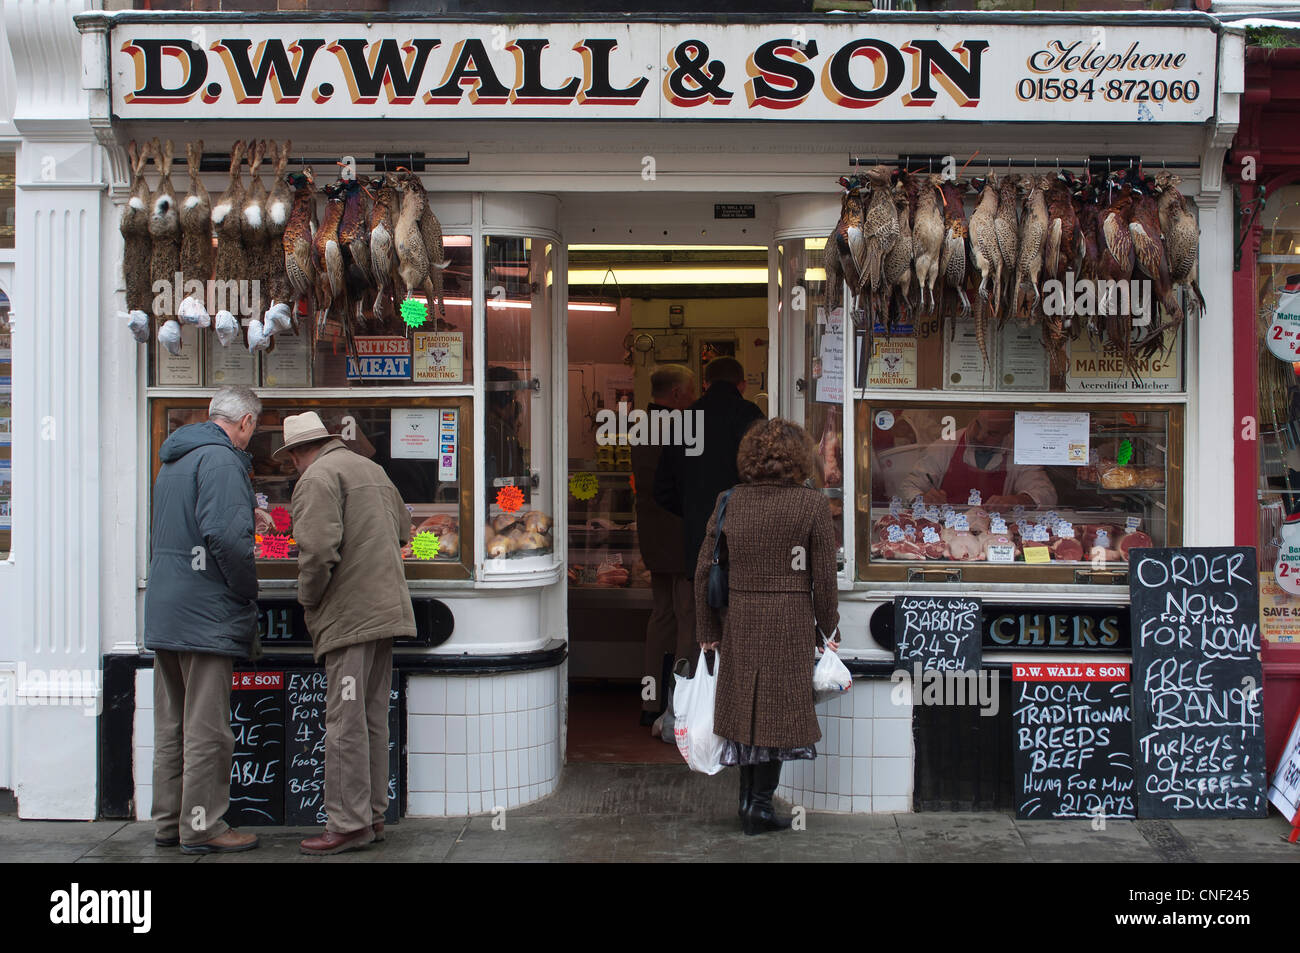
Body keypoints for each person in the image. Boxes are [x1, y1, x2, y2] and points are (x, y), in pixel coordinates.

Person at [277, 411, 417, 855]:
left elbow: (317, 550)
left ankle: (347, 823)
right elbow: (403, 531)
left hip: (349, 617)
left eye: (291, 458)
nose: (293, 467)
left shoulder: (318, 477)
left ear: (299, 451)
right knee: (372, 718)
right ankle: (373, 815)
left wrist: (309, 599)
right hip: (386, 610)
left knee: (343, 723)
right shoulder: (370, 468)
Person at [695, 418, 840, 835]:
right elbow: (823, 578)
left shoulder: (729, 500)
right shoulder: (811, 504)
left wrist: (707, 627)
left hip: (739, 618)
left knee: (745, 712)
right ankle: (758, 807)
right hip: (790, 621)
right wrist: (828, 631)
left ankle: (748, 804)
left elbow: (705, 569)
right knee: (777, 716)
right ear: (800, 457)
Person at [143, 385, 262, 854]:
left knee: (172, 724)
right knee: (206, 728)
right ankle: (204, 826)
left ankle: (169, 822)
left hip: (167, 607)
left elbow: (189, 527)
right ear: (246, 422)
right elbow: (227, 539)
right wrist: (245, 589)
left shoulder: (176, 459)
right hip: (205, 613)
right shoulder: (221, 460)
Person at [654, 356, 765, 674]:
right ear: (742, 385)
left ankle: (687, 712)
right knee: (742, 627)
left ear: (705, 384)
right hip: (746, 541)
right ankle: (734, 708)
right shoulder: (750, 416)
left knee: (696, 627)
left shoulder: (684, 420)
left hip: (697, 543)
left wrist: (694, 513)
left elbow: (661, 489)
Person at [631, 364, 697, 729]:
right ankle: (680, 704)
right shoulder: (680, 426)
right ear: (675, 395)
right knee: (688, 618)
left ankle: (649, 701)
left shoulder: (640, 426)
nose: (693, 399)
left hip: (653, 533)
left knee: (661, 616)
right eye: (689, 392)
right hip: (681, 532)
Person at [898, 409, 1057, 508]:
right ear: (975, 417)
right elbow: (907, 486)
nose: (980, 436)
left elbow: (1046, 494)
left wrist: (1017, 501)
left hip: (993, 535)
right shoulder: (947, 445)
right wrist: (922, 498)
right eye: (978, 425)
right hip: (945, 533)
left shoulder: (1018, 451)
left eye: (992, 434)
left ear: (1008, 431)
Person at [485, 365, 527, 507]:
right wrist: (511, 509)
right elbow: (503, 476)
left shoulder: (491, 425)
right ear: (504, 399)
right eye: (514, 399)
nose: (517, 406)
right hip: (500, 506)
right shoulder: (497, 430)